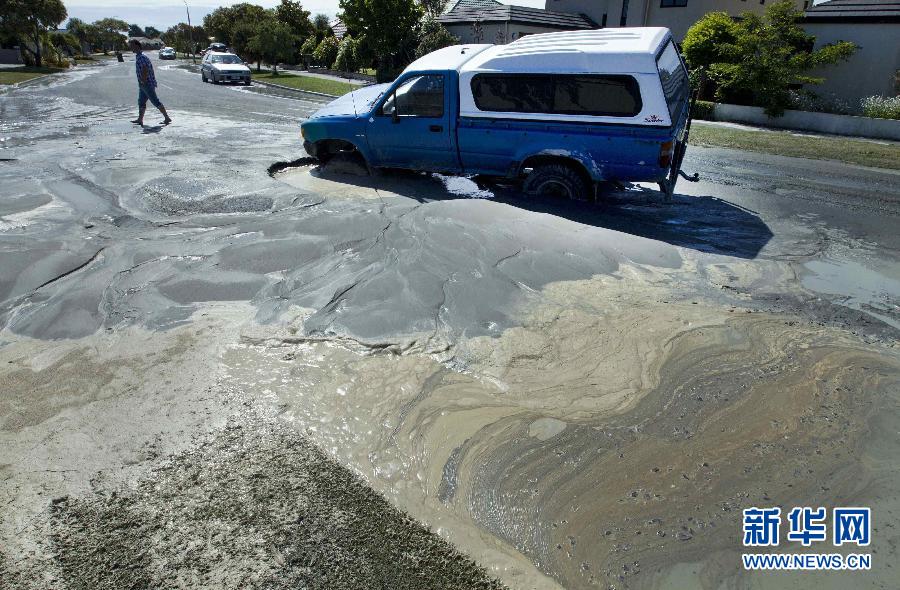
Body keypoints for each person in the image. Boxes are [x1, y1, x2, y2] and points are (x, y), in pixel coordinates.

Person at [129, 39, 172, 126]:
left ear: (136, 46)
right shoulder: (139, 56)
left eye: (132, 46)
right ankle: (140, 119)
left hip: (146, 84)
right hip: (143, 84)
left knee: (155, 101)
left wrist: (143, 81)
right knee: (141, 102)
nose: (130, 47)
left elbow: (145, 69)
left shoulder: (142, 57)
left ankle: (167, 118)